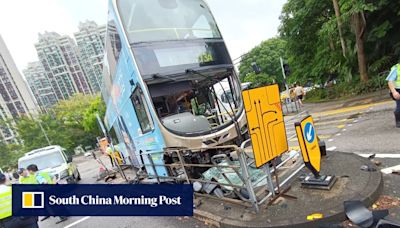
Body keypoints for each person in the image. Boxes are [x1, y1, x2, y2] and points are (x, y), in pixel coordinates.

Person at [386, 63, 400, 128]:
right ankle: (398, 120)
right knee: (399, 107)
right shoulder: (396, 68)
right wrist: (394, 92)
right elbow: (390, 81)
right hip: (397, 90)